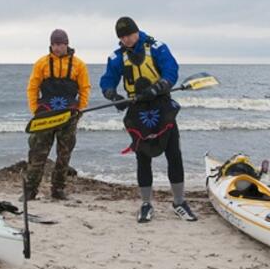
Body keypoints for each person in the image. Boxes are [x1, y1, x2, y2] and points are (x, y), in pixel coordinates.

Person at [100, 17, 197, 223]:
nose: (126, 39)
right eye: (122, 36)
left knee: (174, 154)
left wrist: (157, 87)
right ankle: (146, 204)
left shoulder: (157, 47)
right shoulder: (117, 57)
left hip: (162, 105)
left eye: (129, 34)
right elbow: (108, 80)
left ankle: (179, 202)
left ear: (137, 31)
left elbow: (171, 71)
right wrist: (113, 96)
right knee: (142, 158)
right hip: (138, 110)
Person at [24, 29, 91, 200]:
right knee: (38, 152)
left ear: (66, 44)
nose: (57, 48)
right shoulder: (42, 63)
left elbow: (85, 88)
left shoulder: (79, 65)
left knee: (64, 154)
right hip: (45, 115)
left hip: (69, 116)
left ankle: (58, 189)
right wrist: (35, 110)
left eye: (60, 44)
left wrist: (80, 109)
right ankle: (30, 190)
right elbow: (33, 87)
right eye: (54, 44)